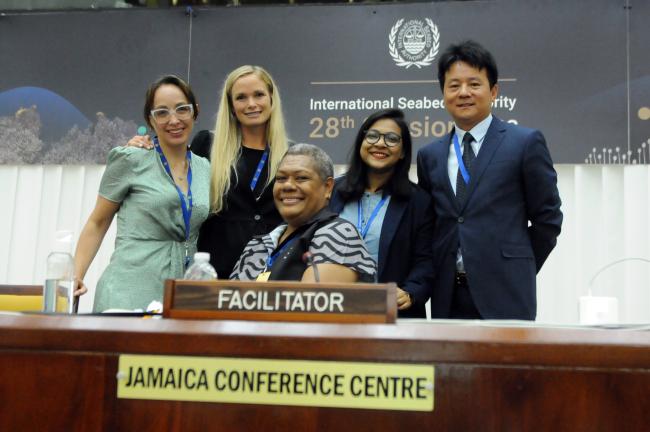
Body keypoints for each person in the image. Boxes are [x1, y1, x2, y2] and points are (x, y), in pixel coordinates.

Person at [416, 40, 563, 320]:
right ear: (443, 94)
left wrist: (517, 265)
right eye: (454, 85)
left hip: (507, 293)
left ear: (493, 91)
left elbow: (548, 220)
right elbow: (431, 226)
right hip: (447, 295)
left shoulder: (524, 142)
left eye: (474, 84)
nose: (464, 93)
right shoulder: (429, 155)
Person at [129, 66, 287, 278]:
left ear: (271, 99)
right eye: (241, 97)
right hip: (213, 274)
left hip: (270, 275)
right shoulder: (207, 145)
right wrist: (143, 146)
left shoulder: (290, 156)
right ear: (231, 105)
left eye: (258, 95)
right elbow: (173, 175)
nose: (251, 104)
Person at [74, 75, 211, 311]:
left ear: (195, 112)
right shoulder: (131, 158)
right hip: (129, 289)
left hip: (182, 291)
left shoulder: (205, 168)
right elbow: (98, 222)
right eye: (162, 112)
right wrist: (75, 276)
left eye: (182, 109)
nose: (174, 120)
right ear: (150, 119)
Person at [329, 109, 434, 318]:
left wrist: (411, 291)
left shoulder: (419, 201)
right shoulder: (331, 191)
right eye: (373, 135)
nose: (380, 144)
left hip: (390, 313)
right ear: (362, 141)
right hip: (334, 309)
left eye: (392, 139)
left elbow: (427, 260)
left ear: (403, 152)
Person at [231, 143, 376, 283]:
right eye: (281, 178)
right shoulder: (257, 245)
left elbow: (312, 304)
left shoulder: (338, 234)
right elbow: (226, 303)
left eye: (301, 178)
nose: (288, 185)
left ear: (327, 187)